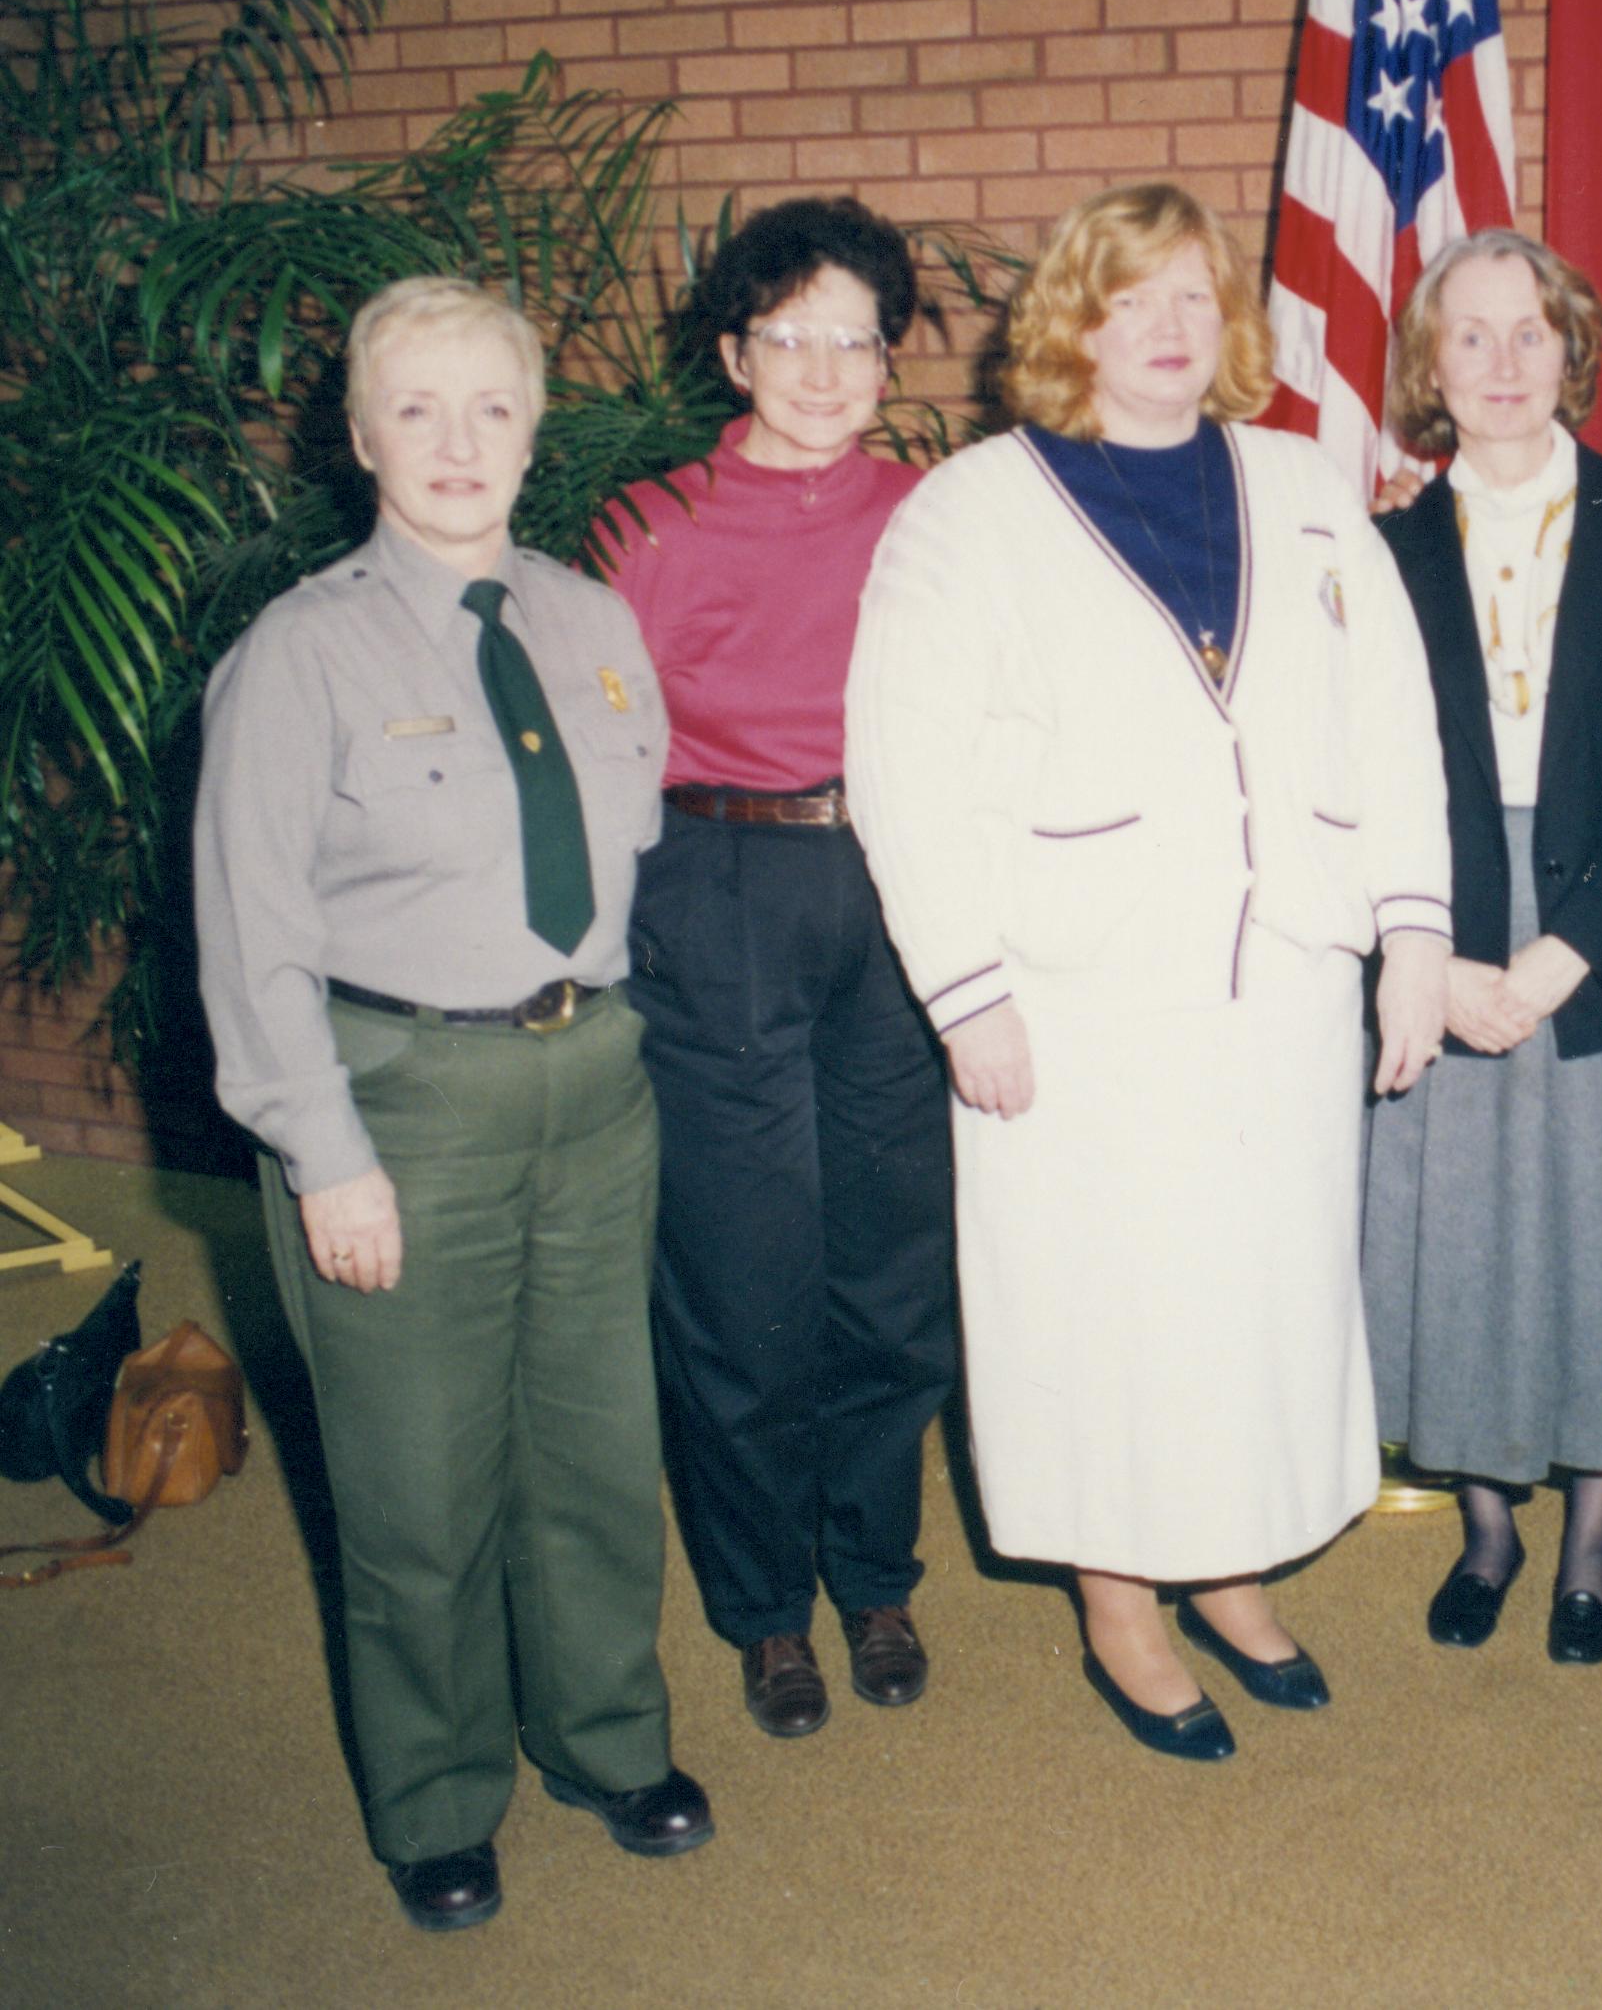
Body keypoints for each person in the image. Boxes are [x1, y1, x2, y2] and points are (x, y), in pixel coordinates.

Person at [844, 183, 1450, 1762]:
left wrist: (1414, 932)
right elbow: (900, 762)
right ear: (1074, 320)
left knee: (1253, 1293)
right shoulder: (971, 507)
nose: (1171, 330)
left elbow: (1391, 715)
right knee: (1101, 1309)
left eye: (1196, 297)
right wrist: (962, 986)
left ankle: (1232, 1571)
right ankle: (1121, 1600)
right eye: (1134, 300)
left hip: (1282, 978)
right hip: (1074, 993)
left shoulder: (1302, 481)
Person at [194, 278, 707, 1932]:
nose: (457, 441)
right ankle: (436, 1794)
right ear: (358, 438)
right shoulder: (300, 653)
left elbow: (628, 864)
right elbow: (251, 937)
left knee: (596, 1447)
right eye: (416, 408)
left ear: (534, 427)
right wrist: (323, 1156)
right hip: (400, 1101)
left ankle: (610, 1736)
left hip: (590, 1088)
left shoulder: (591, 622)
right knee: (418, 1484)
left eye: (491, 405)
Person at [596, 197, 959, 1741]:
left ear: (890, 358)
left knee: (889, 1262)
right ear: (736, 350)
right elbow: (599, 753)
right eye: (789, 335)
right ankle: (764, 1611)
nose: (823, 367)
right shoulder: (646, 523)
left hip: (902, 883)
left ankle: (874, 1569)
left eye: (856, 336)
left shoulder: (942, 510)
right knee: (743, 1285)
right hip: (718, 881)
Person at [1361, 229, 1602, 1666]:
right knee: (1462, 1243)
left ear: (1573, 349)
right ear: (1430, 366)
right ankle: (1489, 1531)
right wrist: (1436, 955)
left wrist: (1568, 949)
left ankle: (1589, 1539)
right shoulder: (1381, 550)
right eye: (1472, 337)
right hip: (1436, 929)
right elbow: (1355, 774)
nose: (1504, 365)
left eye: (1531, 334)